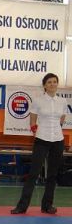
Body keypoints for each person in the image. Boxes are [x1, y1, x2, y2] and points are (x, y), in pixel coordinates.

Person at [11, 73, 68, 215]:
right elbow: (32, 121)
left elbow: (61, 119)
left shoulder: (63, 102)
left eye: (54, 81)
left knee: (52, 175)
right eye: (49, 82)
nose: (52, 84)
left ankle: (47, 206)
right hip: (42, 140)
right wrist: (38, 132)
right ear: (44, 85)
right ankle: (22, 206)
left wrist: (55, 131)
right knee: (33, 173)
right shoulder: (38, 101)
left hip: (58, 141)